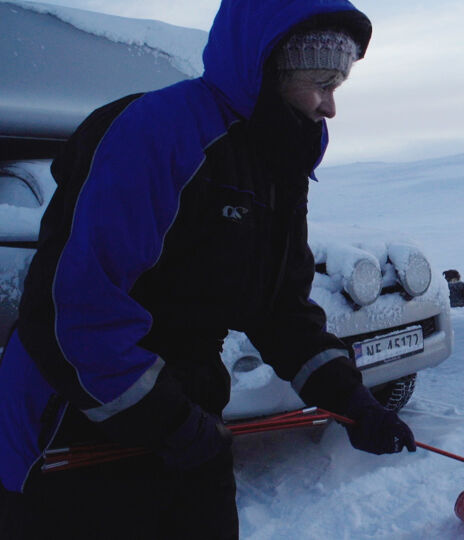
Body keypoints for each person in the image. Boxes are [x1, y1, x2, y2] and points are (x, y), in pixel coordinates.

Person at [0, 1, 415, 538]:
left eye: (338, 85)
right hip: (78, 419)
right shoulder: (157, 135)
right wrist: (171, 421)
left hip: (184, 411)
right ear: (269, 70)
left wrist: (352, 402)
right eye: (319, 83)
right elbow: (76, 308)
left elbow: (281, 309)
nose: (330, 107)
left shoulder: (277, 159)